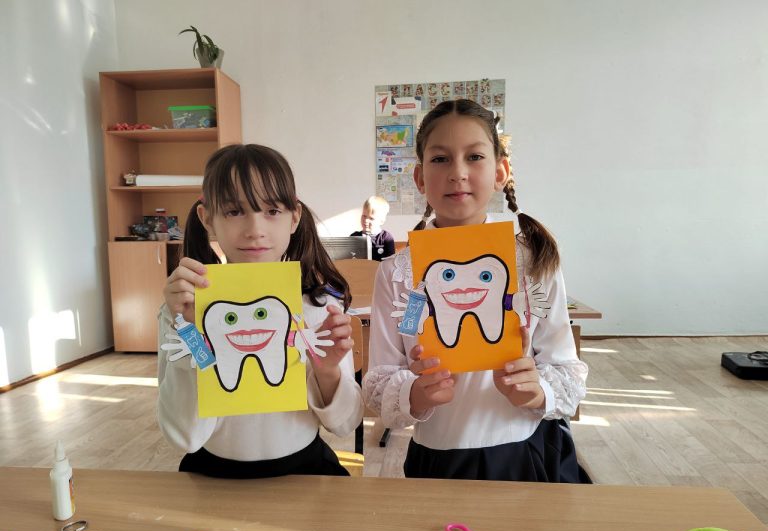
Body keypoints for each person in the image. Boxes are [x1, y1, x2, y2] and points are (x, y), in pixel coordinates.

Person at [362, 99, 590, 482]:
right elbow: (381, 378)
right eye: (440, 159)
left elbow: (565, 366)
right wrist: (415, 393)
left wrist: (536, 391)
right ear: (419, 178)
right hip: (436, 459)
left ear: (500, 171)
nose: (458, 173)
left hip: (527, 451)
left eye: (475, 157)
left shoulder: (534, 261)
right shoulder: (398, 273)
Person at [158, 144, 363, 479]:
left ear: (294, 217)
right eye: (234, 211)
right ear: (207, 219)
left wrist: (327, 372)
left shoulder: (318, 308)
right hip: (213, 474)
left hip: (304, 471)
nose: (255, 229)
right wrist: (191, 333)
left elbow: (344, 424)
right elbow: (184, 436)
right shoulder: (183, 311)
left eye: (271, 210)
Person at [350, 195, 396, 261]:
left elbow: (390, 261)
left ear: (381, 221)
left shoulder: (386, 238)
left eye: (371, 218)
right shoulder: (354, 237)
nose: (366, 220)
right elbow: (348, 261)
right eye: (364, 216)